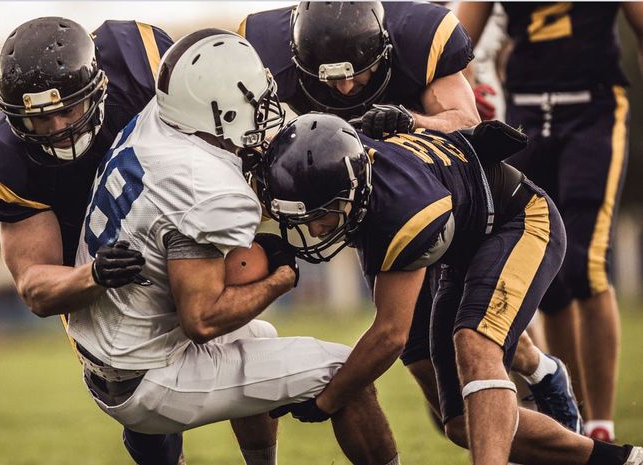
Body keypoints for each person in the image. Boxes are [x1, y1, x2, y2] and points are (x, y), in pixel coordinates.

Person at [241, 0, 580, 433]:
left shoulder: (419, 35)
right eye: (330, 78)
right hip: (370, 203)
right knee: (438, 394)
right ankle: (534, 398)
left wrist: (411, 121)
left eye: (356, 71)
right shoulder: (264, 51)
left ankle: (538, 378)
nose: (345, 89)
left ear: (384, 48)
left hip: (449, 189)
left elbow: (465, 121)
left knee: (475, 340)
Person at [71, 29, 399, 465]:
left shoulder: (161, 120)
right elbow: (202, 321)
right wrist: (281, 279)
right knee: (345, 372)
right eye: (253, 102)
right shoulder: (208, 189)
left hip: (109, 355)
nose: (264, 110)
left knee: (259, 337)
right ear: (220, 111)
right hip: (149, 378)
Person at [258, 112, 643, 465]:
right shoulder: (344, 158)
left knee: (475, 344)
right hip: (463, 249)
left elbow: (390, 334)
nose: (315, 230)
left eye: (321, 214)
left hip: (520, 221)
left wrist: (327, 400)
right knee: (460, 423)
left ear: (354, 190)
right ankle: (621, 461)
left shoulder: (401, 206)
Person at [0, 17, 185, 465]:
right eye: (40, 118)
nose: (59, 126)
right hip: (92, 267)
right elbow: (35, 285)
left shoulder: (140, 62)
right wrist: (94, 274)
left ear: (100, 86)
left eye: (68, 109)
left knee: (237, 336)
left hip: (178, 220)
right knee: (131, 388)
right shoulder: (3, 159)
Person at [456, 2, 643, 442]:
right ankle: (568, 414)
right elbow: (453, 40)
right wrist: (461, 89)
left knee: (586, 265)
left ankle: (599, 424)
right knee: (548, 273)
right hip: (523, 113)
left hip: (593, 109)